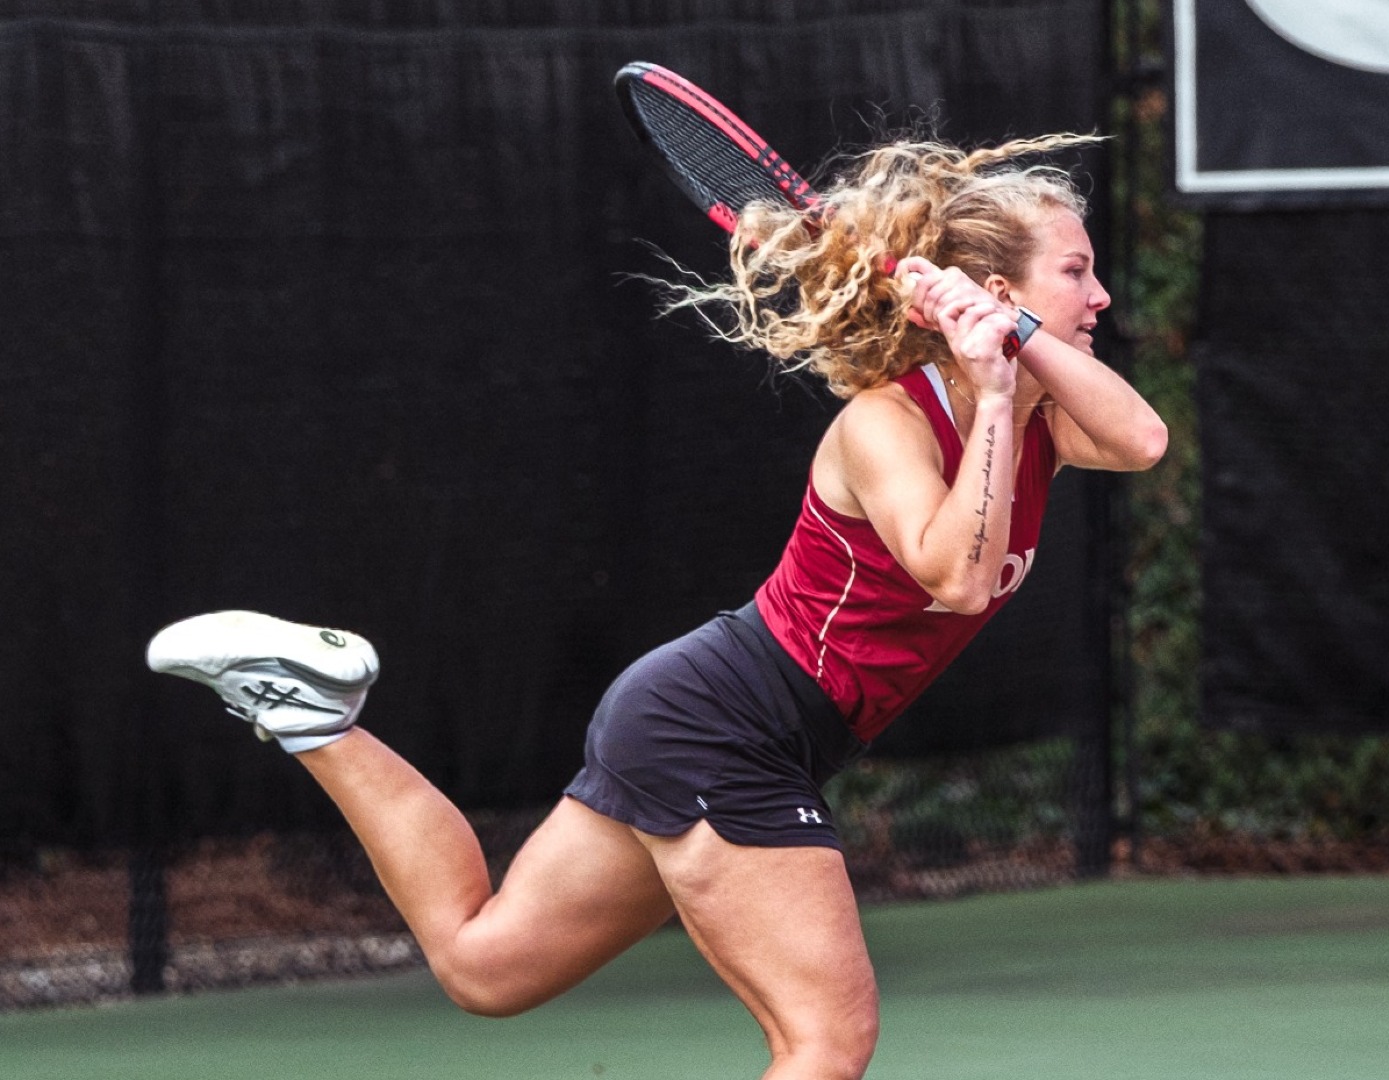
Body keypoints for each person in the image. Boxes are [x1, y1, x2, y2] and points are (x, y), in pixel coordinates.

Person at [146, 132, 1165, 1080]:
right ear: (994, 287)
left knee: (484, 967)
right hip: (729, 721)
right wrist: (988, 392)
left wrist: (1012, 351)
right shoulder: (887, 424)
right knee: (825, 1038)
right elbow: (955, 576)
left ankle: (314, 711)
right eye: (1075, 272)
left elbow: (1143, 441)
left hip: (725, 724)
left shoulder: (1043, 421)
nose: (1101, 293)